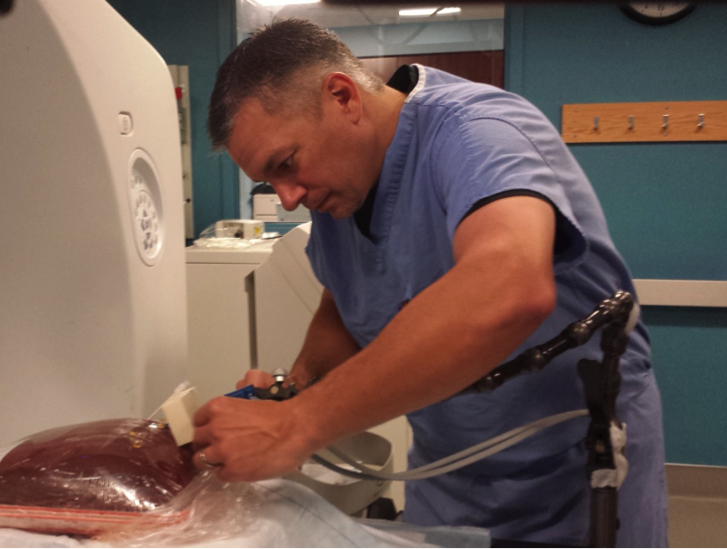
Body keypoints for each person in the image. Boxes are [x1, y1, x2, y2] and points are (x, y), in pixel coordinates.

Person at [192, 18, 668, 548]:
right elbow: (352, 298)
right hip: (449, 475)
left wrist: (298, 425)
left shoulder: (478, 131)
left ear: (343, 96)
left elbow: (510, 289)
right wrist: (294, 389)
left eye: (286, 164)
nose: (286, 197)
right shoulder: (340, 189)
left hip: (568, 472)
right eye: (269, 180)